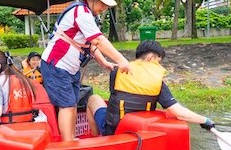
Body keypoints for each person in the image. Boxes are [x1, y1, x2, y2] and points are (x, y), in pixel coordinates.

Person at [40, 0, 133, 141]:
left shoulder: (88, 15)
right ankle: (67, 143)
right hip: (57, 65)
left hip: (70, 69)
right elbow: (98, 41)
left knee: (72, 104)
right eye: (102, 3)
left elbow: (89, 45)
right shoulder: (81, 12)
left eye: (106, 5)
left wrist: (104, 62)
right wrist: (121, 59)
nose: (103, 8)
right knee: (67, 105)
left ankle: (71, 138)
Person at [87, 40, 215, 137]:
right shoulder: (158, 81)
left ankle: (98, 138)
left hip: (114, 130)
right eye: (158, 61)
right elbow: (179, 113)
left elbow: (114, 98)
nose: (158, 65)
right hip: (141, 132)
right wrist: (205, 120)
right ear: (150, 58)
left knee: (93, 99)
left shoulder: (117, 71)